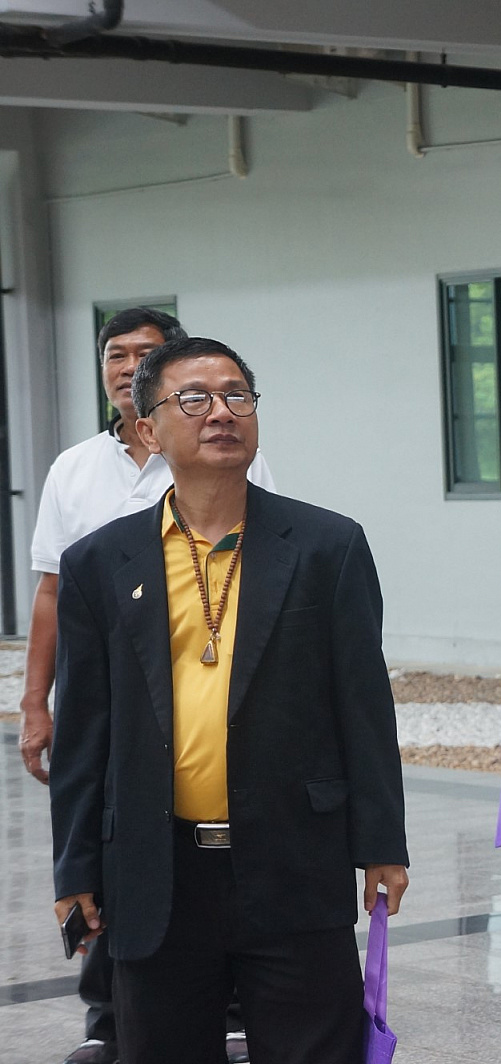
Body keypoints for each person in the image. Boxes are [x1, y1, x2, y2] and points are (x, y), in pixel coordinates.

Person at [49, 337, 409, 1064]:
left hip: (294, 860)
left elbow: (364, 706)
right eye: (194, 399)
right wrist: (76, 868)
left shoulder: (327, 545)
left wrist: (381, 845)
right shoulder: (99, 563)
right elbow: (84, 732)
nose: (221, 413)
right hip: (157, 870)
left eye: (236, 396)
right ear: (148, 430)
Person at [19, 307, 273, 1064]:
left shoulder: (229, 453)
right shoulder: (74, 469)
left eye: (145, 353)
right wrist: (35, 702)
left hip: (213, 699)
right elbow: (50, 592)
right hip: (120, 702)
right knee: (118, 848)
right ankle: (109, 1019)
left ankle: (231, 1011)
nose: (128, 366)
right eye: (115, 355)